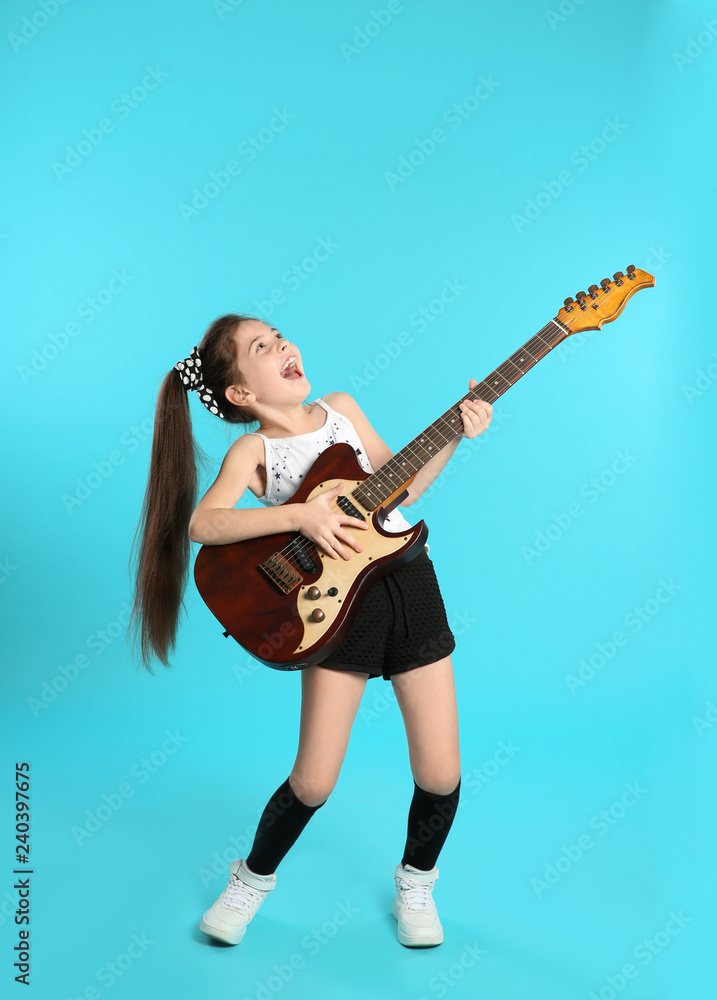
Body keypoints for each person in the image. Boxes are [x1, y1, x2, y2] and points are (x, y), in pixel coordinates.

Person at [129, 312, 492, 949]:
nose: (283, 347)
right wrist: (303, 515)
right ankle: (250, 879)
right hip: (329, 607)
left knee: (439, 771)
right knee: (315, 779)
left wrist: (457, 433)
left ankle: (418, 881)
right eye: (261, 349)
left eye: (280, 336)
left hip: (409, 587)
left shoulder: (343, 409)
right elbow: (204, 526)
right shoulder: (254, 452)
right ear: (241, 394)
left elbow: (402, 487)